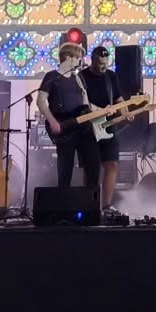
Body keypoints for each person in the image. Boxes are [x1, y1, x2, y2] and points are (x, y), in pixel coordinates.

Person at [35, 41, 104, 197]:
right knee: (65, 166)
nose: (80, 61)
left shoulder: (79, 78)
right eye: (77, 58)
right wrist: (53, 121)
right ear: (68, 58)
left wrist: (102, 110)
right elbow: (41, 101)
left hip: (83, 127)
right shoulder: (52, 76)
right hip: (64, 127)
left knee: (93, 163)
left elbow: (86, 103)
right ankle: (63, 201)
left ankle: (91, 201)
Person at [81, 44, 123, 215]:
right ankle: (90, 205)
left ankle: (106, 206)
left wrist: (125, 110)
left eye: (106, 63)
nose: (103, 67)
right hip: (89, 127)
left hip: (108, 125)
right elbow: (80, 101)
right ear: (92, 60)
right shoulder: (82, 76)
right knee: (92, 168)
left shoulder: (111, 77)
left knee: (111, 164)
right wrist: (96, 110)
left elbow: (119, 99)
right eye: (100, 63)